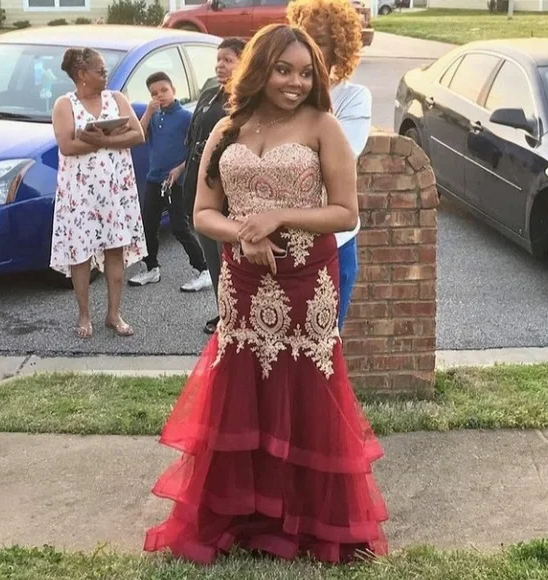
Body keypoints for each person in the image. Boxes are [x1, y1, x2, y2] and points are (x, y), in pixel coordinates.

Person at [144, 24, 387, 564]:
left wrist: (278, 216)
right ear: (260, 69)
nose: (296, 83)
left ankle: (314, 519)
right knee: (243, 381)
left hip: (305, 279)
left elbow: (345, 211)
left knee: (305, 385)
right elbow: (202, 213)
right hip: (244, 281)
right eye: (283, 70)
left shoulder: (323, 126)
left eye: (305, 74)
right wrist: (244, 233)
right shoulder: (227, 128)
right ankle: (243, 515)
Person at [51, 47, 146, 338]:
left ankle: (114, 314)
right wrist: (110, 138)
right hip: (80, 194)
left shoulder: (116, 99)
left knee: (114, 250)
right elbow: (67, 146)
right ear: (82, 74)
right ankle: (84, 316)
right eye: (100, 71)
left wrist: (99, 139)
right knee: (80, 255)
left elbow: (138, 135)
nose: (105, 75)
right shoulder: (64, 105)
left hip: (115, 191)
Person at [287, 0, 372, 330]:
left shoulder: (353, 98)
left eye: (319, 42)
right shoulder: (281, 95)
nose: (309, 51)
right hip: (283, 241)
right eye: (303, 39)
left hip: (333, 242)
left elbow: (339, 159)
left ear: (339, 48)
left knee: (324, 343)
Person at [183, 37, 247, 335]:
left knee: (227, 260)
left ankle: (233, 315)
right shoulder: (210, 94)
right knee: (212, 258)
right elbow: (193, 137)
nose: (220, 65)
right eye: (218, 59)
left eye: (228, 60)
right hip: (198, 183)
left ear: (244, 63)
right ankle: (223, 311)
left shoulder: (246, 101)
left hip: (225, 194)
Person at [128, 72, 212, 292]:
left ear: (173, 89)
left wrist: (179, 169)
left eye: (164, 90)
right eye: (154, 93)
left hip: (176, 180)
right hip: (154, 178)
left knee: (179, 227)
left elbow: (195, 150)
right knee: (148, 225)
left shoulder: (185, 117)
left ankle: (203, 269)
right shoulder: (154, 116)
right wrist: (148, 112)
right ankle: (151, 267)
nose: (160, 96)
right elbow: (138, 135)